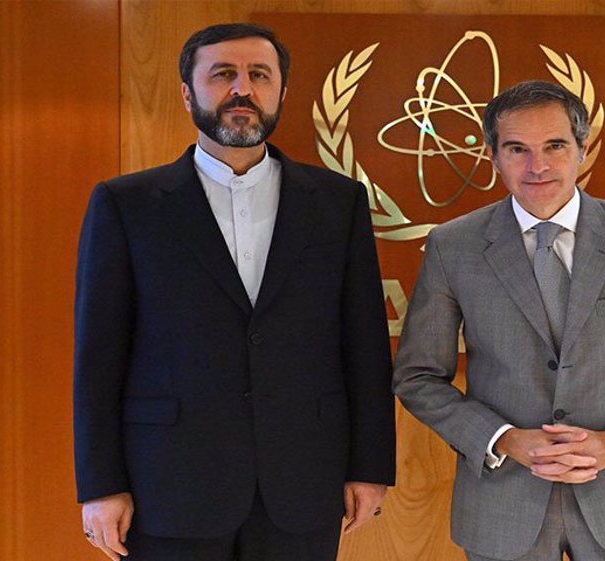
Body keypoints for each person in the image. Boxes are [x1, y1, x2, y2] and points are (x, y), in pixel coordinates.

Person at [74, 23, 395, 561]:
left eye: (258, 76)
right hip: (168, 484)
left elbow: (364, 343)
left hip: (302, 481)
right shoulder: (127, 205)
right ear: (187, 92)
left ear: (281, 93)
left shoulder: (337, 203)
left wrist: (370, 466)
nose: (241, 90)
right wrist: (100, 485)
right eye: (223, 74)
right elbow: (99, 356)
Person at [392, 80, 605, 561]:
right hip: (505, 504)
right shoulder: (452, 246)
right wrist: (501, 439)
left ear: (582, 149)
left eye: (555, 146)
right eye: (517, 149)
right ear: (492, 156)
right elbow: (418, 376)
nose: (537, 166)